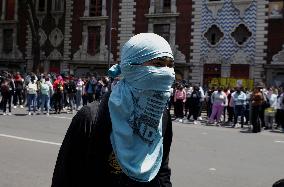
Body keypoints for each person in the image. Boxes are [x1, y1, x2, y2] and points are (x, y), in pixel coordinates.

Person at [51, 33, 174, 187]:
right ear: (131, 67)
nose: (168, 72)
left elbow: (162, 170)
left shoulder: (162, 115)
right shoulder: (91, 117)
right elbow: (65, 179)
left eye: (170, 65)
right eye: (158, 64)